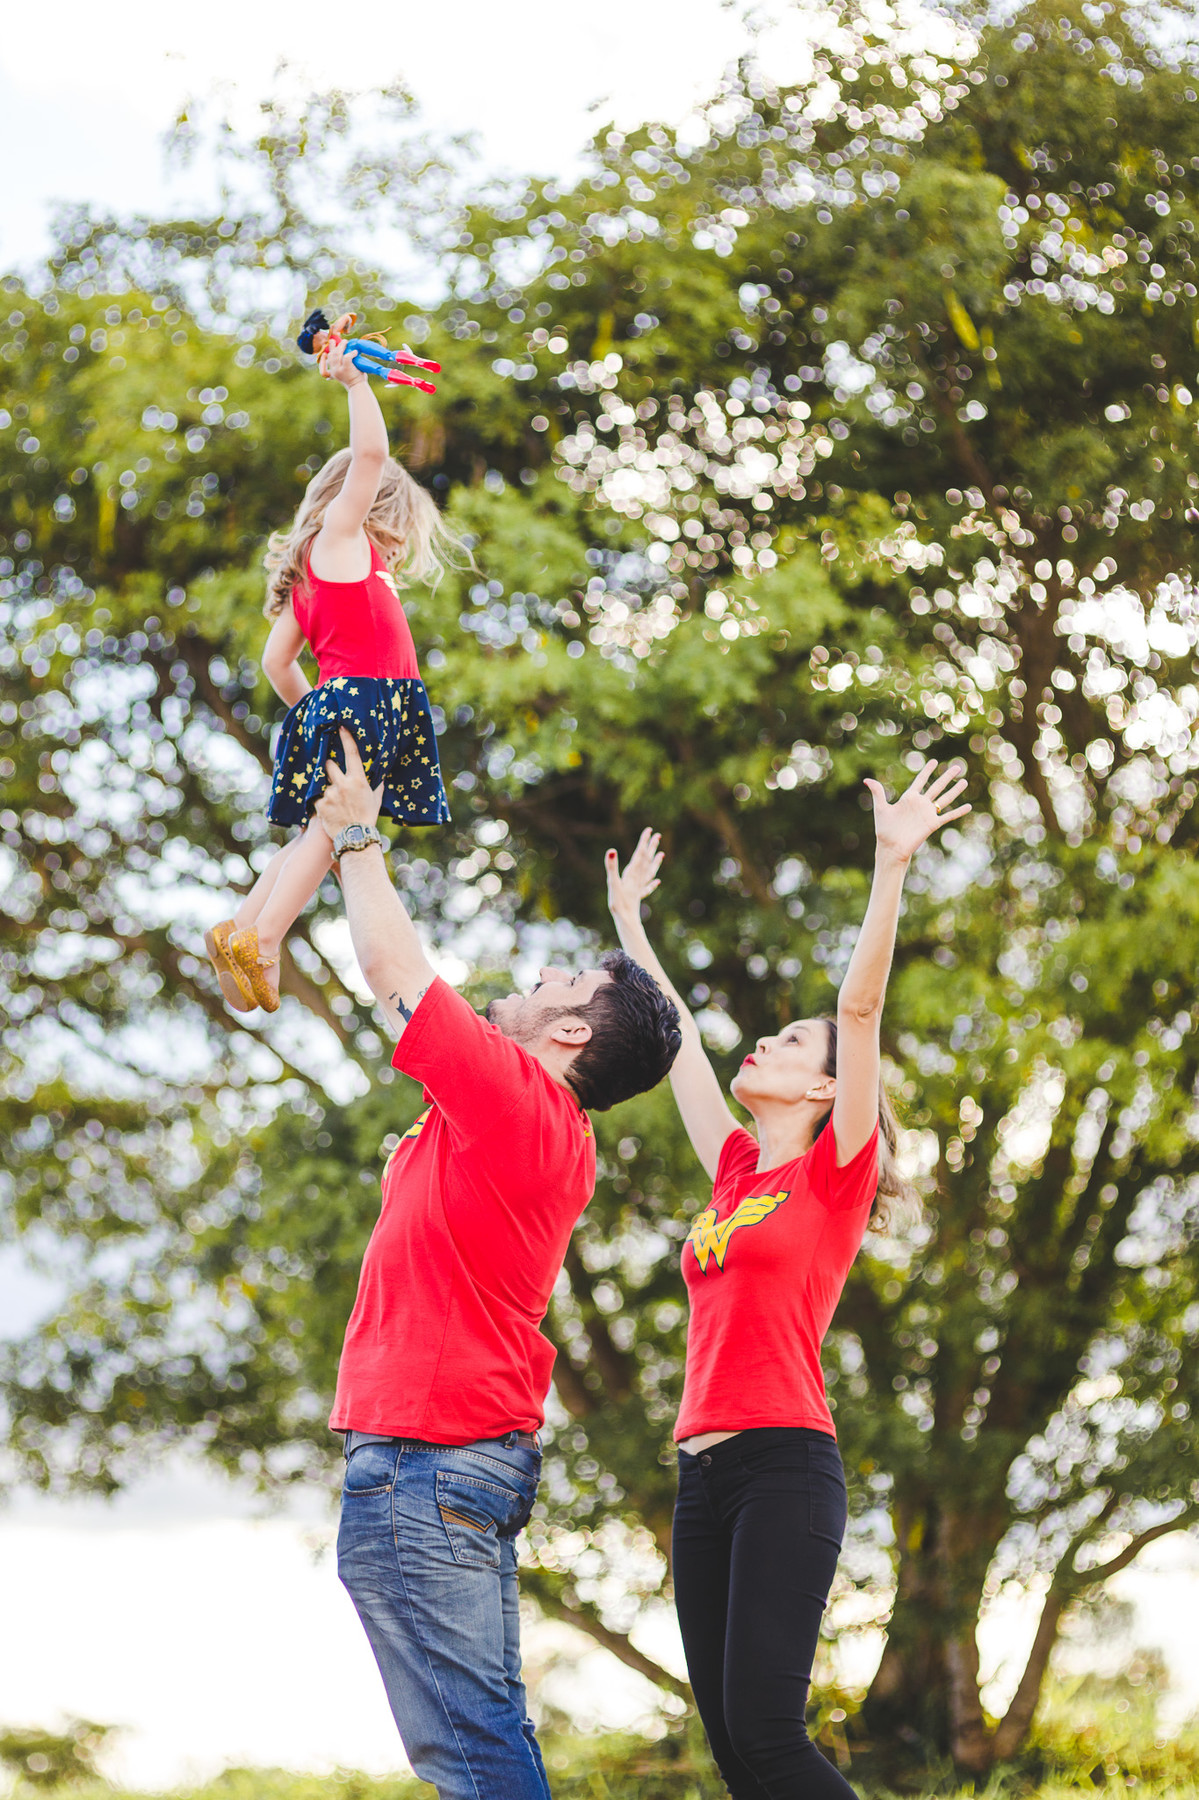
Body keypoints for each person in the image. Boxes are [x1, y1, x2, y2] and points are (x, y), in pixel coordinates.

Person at [310, 729, 682, 1800]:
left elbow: (394, 969)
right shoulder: (502, 1121)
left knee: (470, 1755)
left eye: (560, 976)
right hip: (441, 1464)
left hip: (427, 1464)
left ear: (567, 1031)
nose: (533, 975)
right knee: (476, 1745)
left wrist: (356, 835)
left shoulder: (523, 1107)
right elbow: (398, 998)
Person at [606, 760, 970, 1800]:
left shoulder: (835, 1170)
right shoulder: (730, 1168)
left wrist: (888, 866)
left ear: (820, 1087)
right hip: (700, 1477)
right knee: (731, 1750)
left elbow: (857, 1012)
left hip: (781, 1465)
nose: (762, 1039)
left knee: (767, 1734)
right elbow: (669, 1033)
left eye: (787, 1039)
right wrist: (630, 928)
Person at [203, 340, 455, 1014]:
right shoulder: (343, 542)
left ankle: (241, 924)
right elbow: (370, 456)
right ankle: (265, 936)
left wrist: (317, 711)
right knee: (330, 832)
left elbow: (275, 663)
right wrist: (353, 384)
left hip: (335, 703)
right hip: (365, 701)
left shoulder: (308, 580)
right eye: (400, 534)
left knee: (317, 828)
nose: (400, 551)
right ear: (381, 515)